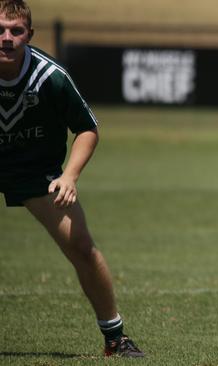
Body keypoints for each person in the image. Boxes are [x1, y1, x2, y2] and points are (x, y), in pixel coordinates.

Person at [0, 0, 143, 357]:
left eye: (16, 31)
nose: (6, 38)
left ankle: (116, 338)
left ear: (29, 35)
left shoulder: (51, 77)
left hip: (37, 171)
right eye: (0, 30)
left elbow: (87, 128)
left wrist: (69, 176)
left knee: (80, 245)